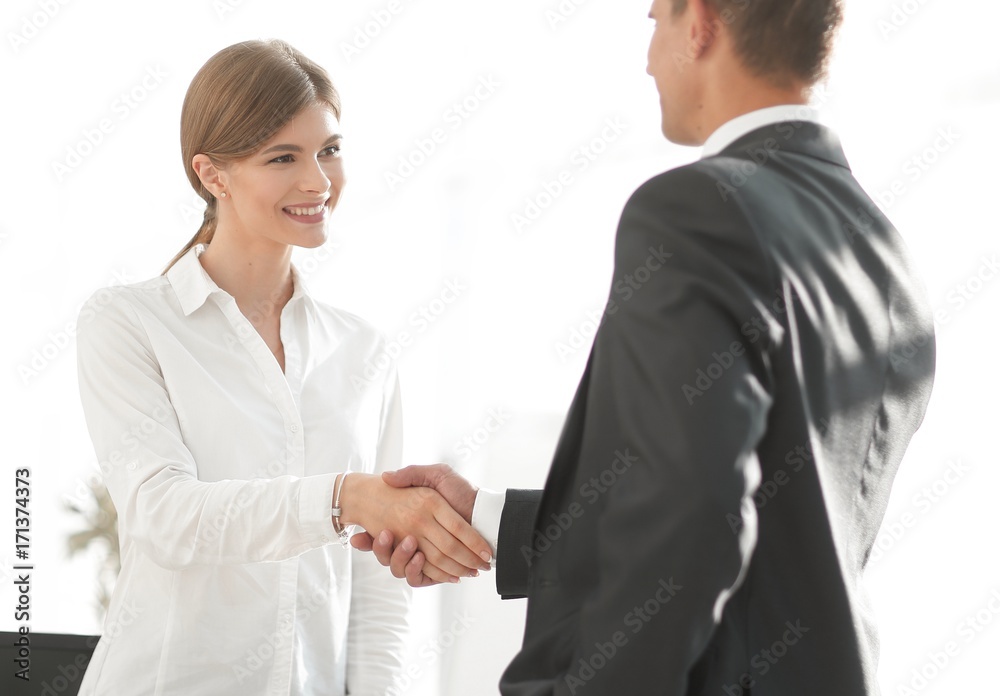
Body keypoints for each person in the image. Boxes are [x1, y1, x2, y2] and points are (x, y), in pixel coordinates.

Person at [355, 0, 936, 694]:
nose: (648, 55)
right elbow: (767, 517)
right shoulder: (885, 250)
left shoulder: (698, 210)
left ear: (701, 23)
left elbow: (695, 518)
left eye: (654, 19)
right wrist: (485, 514)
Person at [74, 39, 491, 696]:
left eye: (328, 149)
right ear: (212, 175)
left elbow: (376, 587)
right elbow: (164, 516)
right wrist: (344, 496)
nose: (318, 182)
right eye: (282, 158)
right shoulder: (128, 324)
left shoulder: (364, 352)